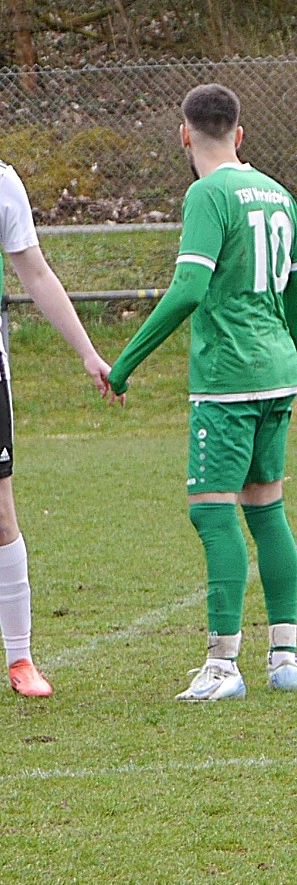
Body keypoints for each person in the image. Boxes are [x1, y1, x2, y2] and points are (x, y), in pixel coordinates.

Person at [107, 84, 297, 701]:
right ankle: (285, 658)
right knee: (267, 509)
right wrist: (281, 351)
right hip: (277, 371)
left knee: (212, 510)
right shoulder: (278, 193)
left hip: (228, 377)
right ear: (240, 134)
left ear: (184, 134)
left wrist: (124, 364)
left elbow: (189, 289)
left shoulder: (206, 194)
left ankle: (223, 667)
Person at [0, 157, 117, 697]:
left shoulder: (3, 182)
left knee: (2, 514)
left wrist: (88, 353)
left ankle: (20, 658)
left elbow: (36, 272)